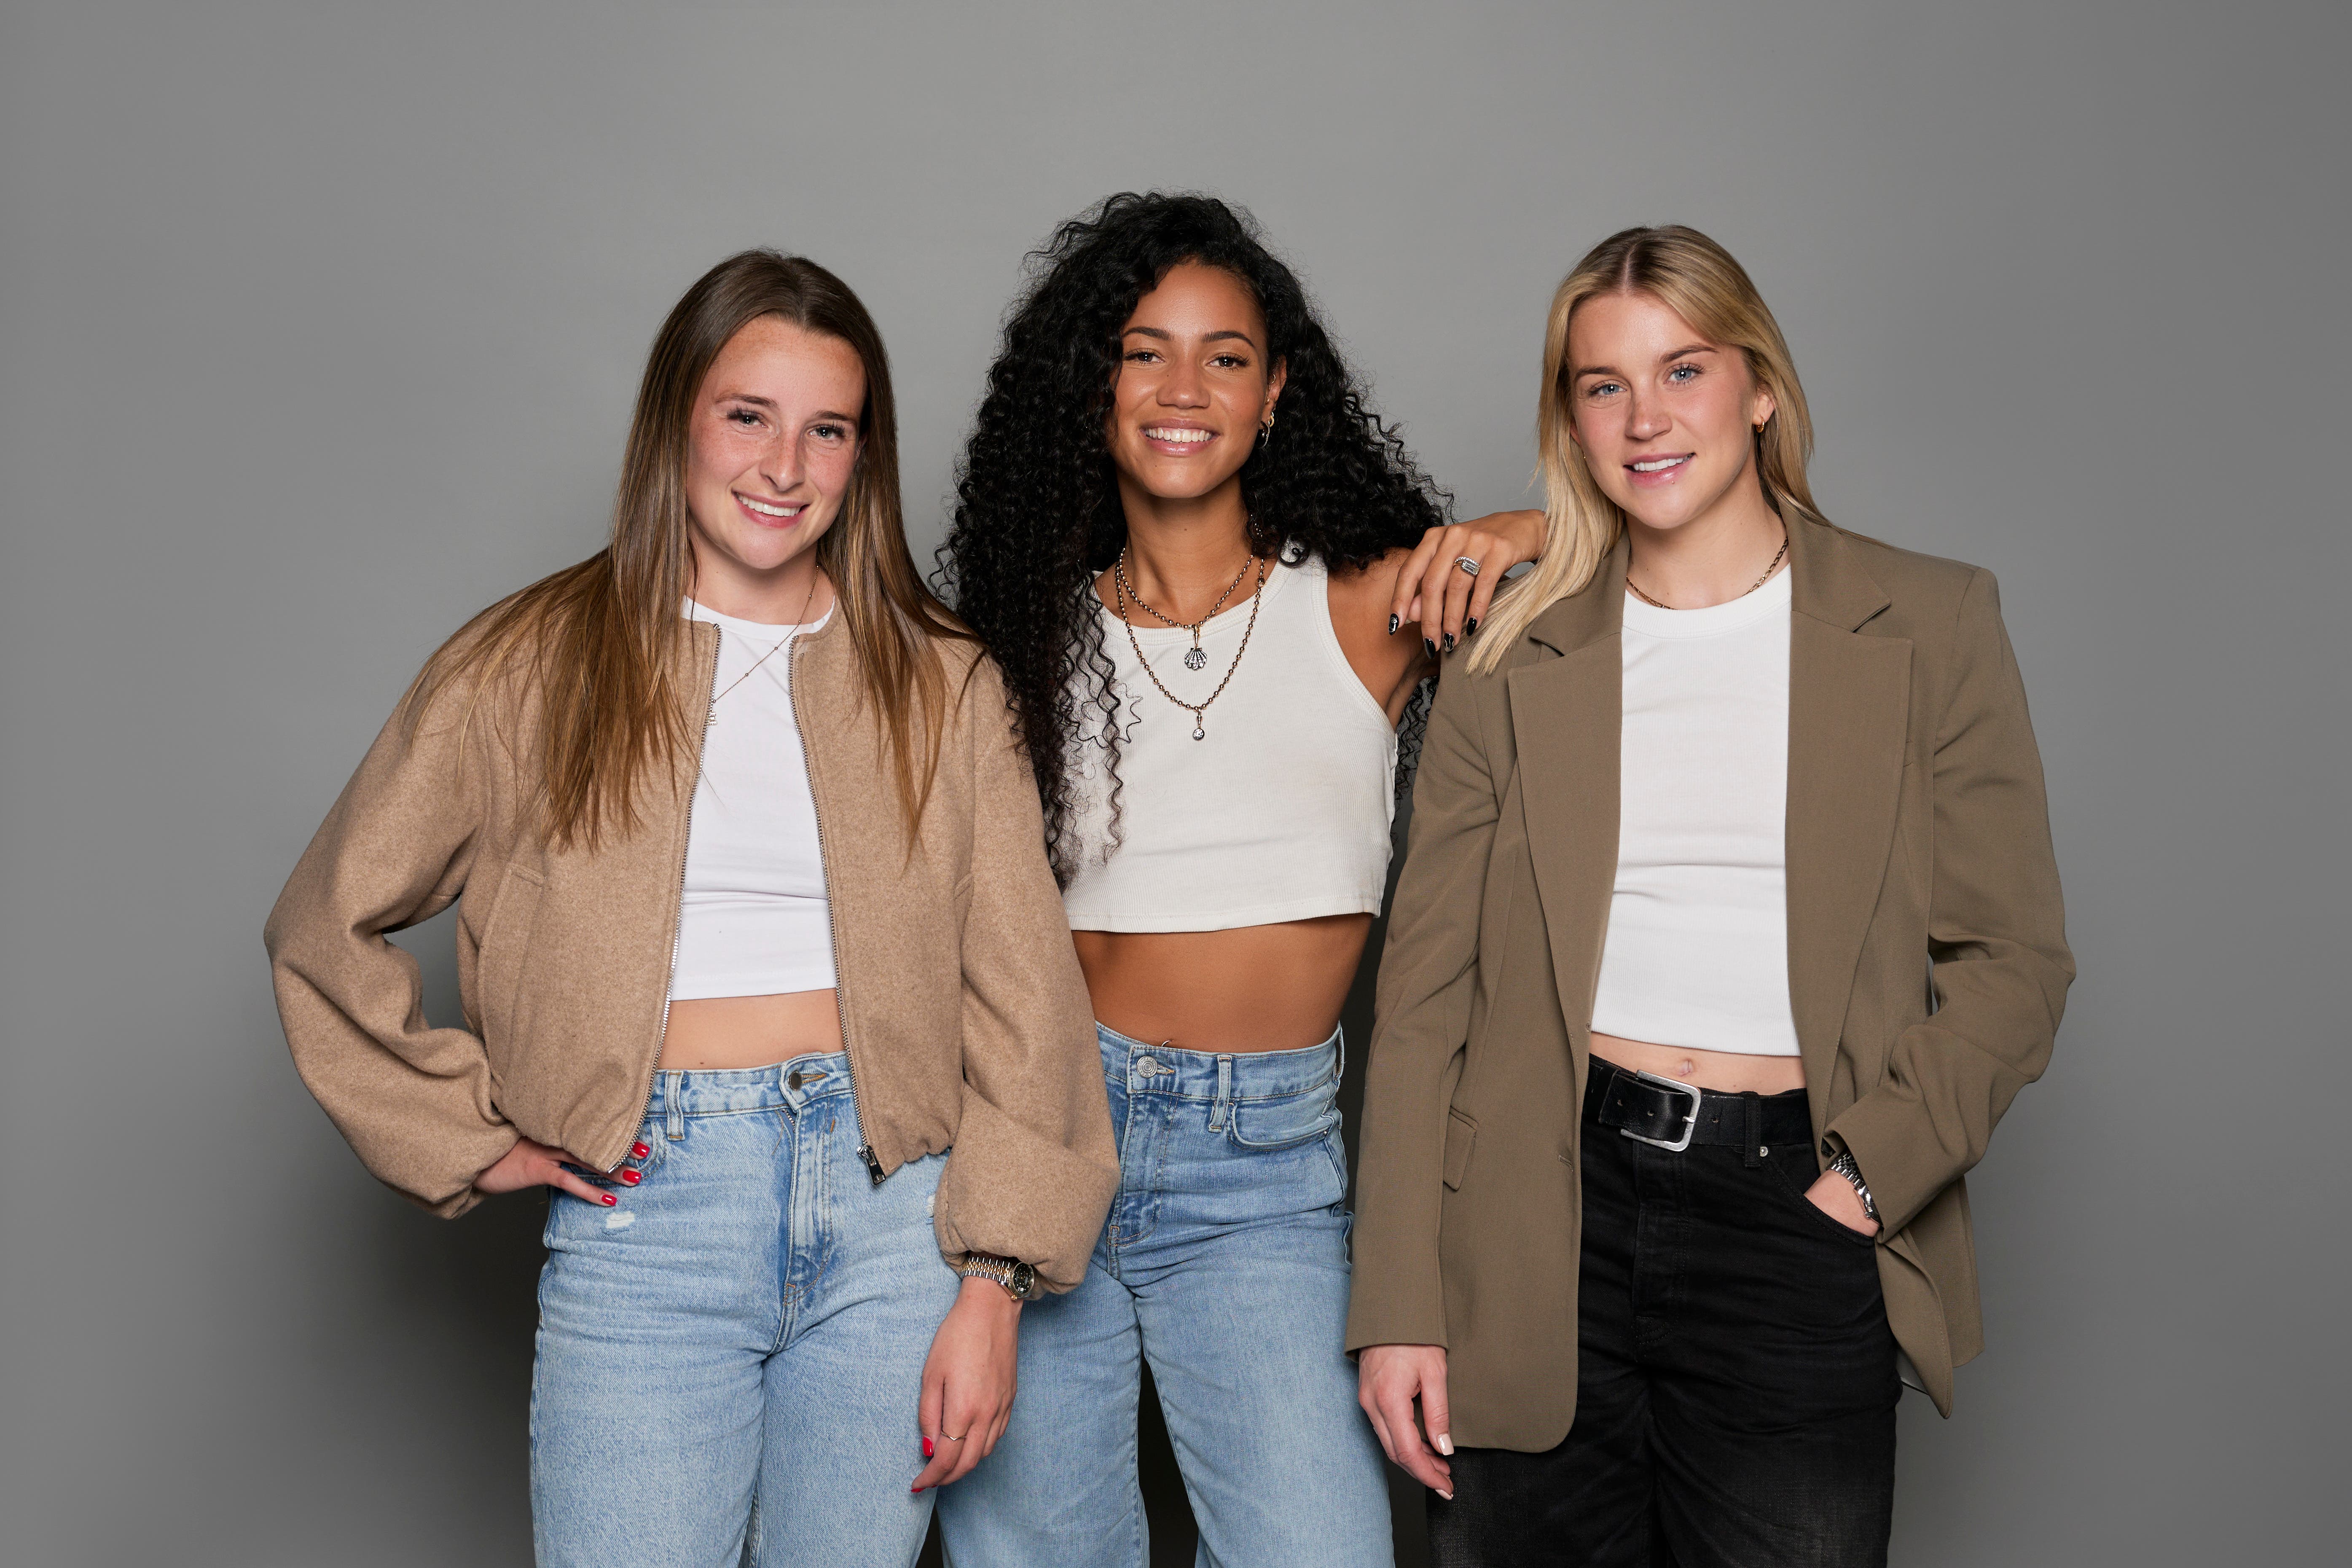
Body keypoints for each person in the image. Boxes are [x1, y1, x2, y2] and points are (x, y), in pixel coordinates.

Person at [263, 251, 1117, 1568]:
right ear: (676, 423)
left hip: (896, 1215)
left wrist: (995, 1287)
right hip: (650, 1218)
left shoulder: (939, 683)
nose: (784, 465)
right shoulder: (528, 665)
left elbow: (1026, 1001)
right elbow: (326, 924)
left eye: (826, 429)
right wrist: (458, 1132)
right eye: (747, 416)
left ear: (860, 457)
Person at [1349, 224, 2073, 1567]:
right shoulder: (1508, 649)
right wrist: (1397, 1296)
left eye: (1681, 369)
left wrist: (1864, 1181)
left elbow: (2013, 965)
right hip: (1533, 1219)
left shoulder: (1929, 625)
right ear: (1568, 419)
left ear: (1759, 386)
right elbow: (1422, 995)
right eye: (1601, 384)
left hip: (1795, 1216)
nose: (1645, 418)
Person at [929, 192, 1547, 1568]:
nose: (1182, 388)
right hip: (1047, 1131)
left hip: (1265, 1170)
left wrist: (1510, 541)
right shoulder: (1013, 646)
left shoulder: (1364, 605)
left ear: (1275, 395)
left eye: (1224, 355)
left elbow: (1623, 535)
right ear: (1091, 392)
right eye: (1143, 351)